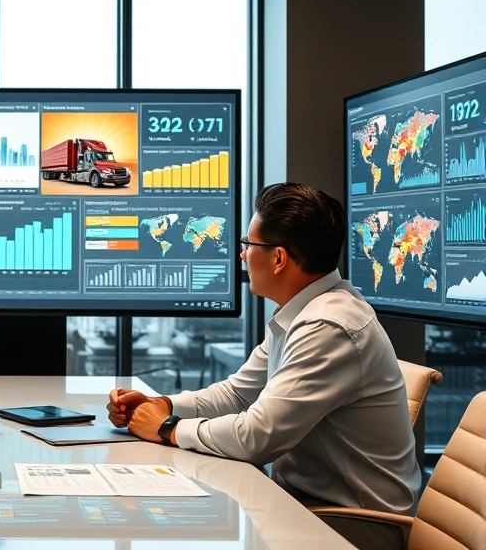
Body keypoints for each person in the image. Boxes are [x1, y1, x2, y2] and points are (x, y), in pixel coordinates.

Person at [108, 182, 419, 517]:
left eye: (248, 244)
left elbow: (257, 437)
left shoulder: (329, 326)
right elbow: (237, 395)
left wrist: (166, 427)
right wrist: (163, 404)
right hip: (308, 506)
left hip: (353, 525)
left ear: (279, 258)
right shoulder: (303, 312)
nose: (242, 254)